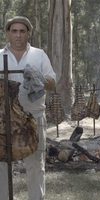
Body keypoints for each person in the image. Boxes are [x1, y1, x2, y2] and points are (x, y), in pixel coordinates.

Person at [0, 16, 56, 200]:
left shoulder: (39, 55)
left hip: (34, 117)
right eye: (14, 31)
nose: (18, 35)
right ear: (8, 33)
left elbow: (53, 82)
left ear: (28, 33)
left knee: (35, 165)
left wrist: (39, 78)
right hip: (3, 120)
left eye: (22, 31)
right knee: (2, 166)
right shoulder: (0, 56)